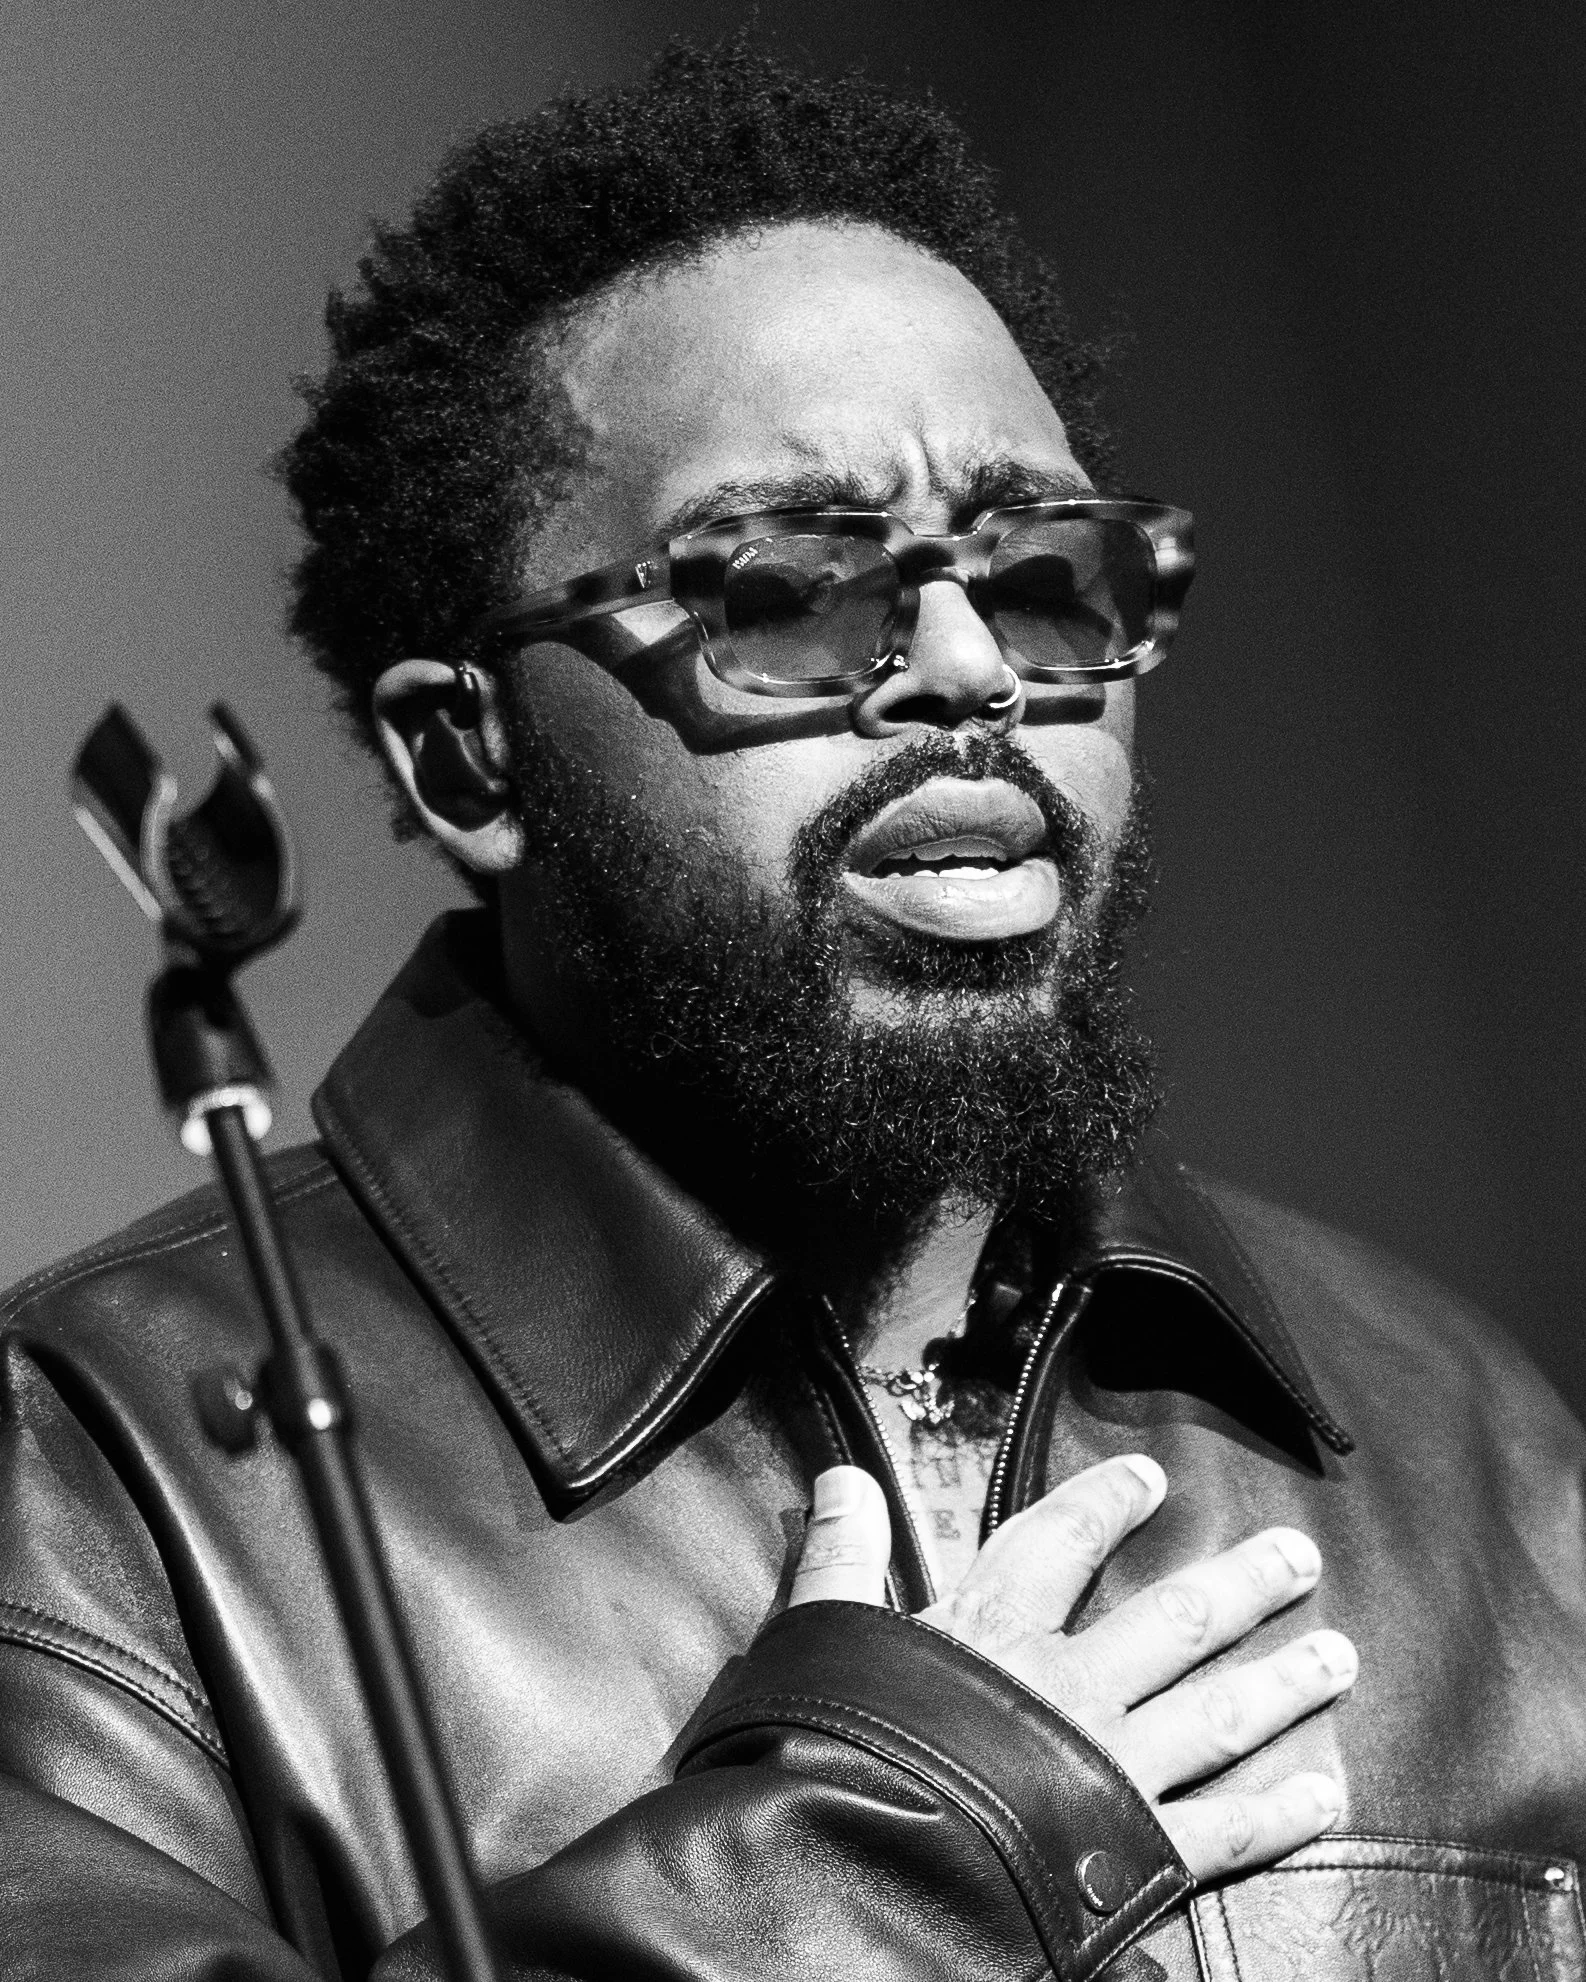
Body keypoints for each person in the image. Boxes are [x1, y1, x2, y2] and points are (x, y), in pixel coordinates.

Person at [3, 40, 1583, 1982]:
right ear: (468, 761)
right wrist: (856, 1877)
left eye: (1043, 573)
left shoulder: (1458, 1431)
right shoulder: (88, 1480)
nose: (966, 667)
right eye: (786, 590)